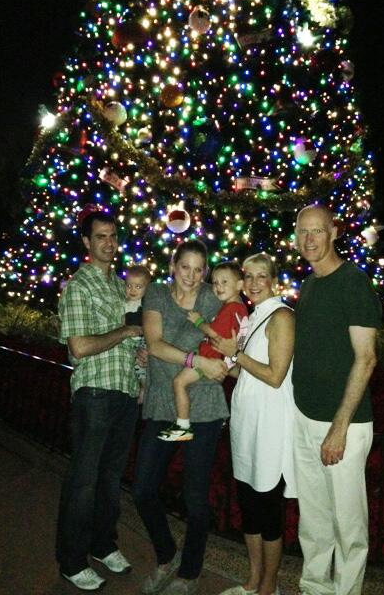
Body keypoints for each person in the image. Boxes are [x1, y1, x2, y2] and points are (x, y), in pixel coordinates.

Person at [292, 204, 382, 595]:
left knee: (348, 525)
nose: (309, 239)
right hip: (305, 417)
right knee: (313, 519)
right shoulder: (309, 285)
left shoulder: (353, 282)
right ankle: (314, 586)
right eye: (302, 231)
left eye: (317, 231)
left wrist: (339, 426)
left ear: (333, 232)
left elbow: (366, 358)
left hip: (344, 423)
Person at [132, 239, 229, 595]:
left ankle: (189, 572)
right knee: (143, 488)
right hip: (164, 407)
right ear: (173, 266)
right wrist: (196, 360)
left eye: (198, 269)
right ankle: (166, 555)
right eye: (185, 267)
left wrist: (222, 361)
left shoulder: (212, 299)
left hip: (201, 408)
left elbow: (229, 337)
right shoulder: (157, 293)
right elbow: (155, 343)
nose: (191, 275)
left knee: (194, 496)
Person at [56, 210, 142, 591]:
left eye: (113, 236)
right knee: (84, 481)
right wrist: (124, 332)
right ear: (87, 242)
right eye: (101, 236)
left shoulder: (122, 287)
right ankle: (72, 561)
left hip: (124, 393)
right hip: (94, 394)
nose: (109, 243)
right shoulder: (79, 287)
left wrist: (140, 359)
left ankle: (103, 545)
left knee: (109, 479)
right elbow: (79, 346)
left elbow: (133, 340)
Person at [214, 253, 296, 595]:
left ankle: (268, 586)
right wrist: (223, 361)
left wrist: (237, 354)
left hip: (270, 428)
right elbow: (244, 371)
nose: (254, 282)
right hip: (246, 426)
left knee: (268, 512)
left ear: (273, 281)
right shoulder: (253, 317)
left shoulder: (282, 316)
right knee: (248, 507)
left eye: (262, 276)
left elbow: (275, 376)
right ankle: (252, 580)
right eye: (248, 276)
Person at [158, 261, 248, 442]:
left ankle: (182, 426)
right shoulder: (240, 308)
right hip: (218, 358)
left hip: (210, 358)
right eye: (215, 282)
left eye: (224, 282)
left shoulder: (231, 309)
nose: (218, 287)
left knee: (179, 382)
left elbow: (215, 335)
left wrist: (198, 321)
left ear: (239, 284)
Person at [124, 264, 151, 404]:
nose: (133, 290)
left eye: (138, 287)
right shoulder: (123, 303)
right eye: (129, 286)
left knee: (140, 365)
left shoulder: (145, 304)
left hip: (142, 340)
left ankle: (144, 388)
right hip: (128, 341)